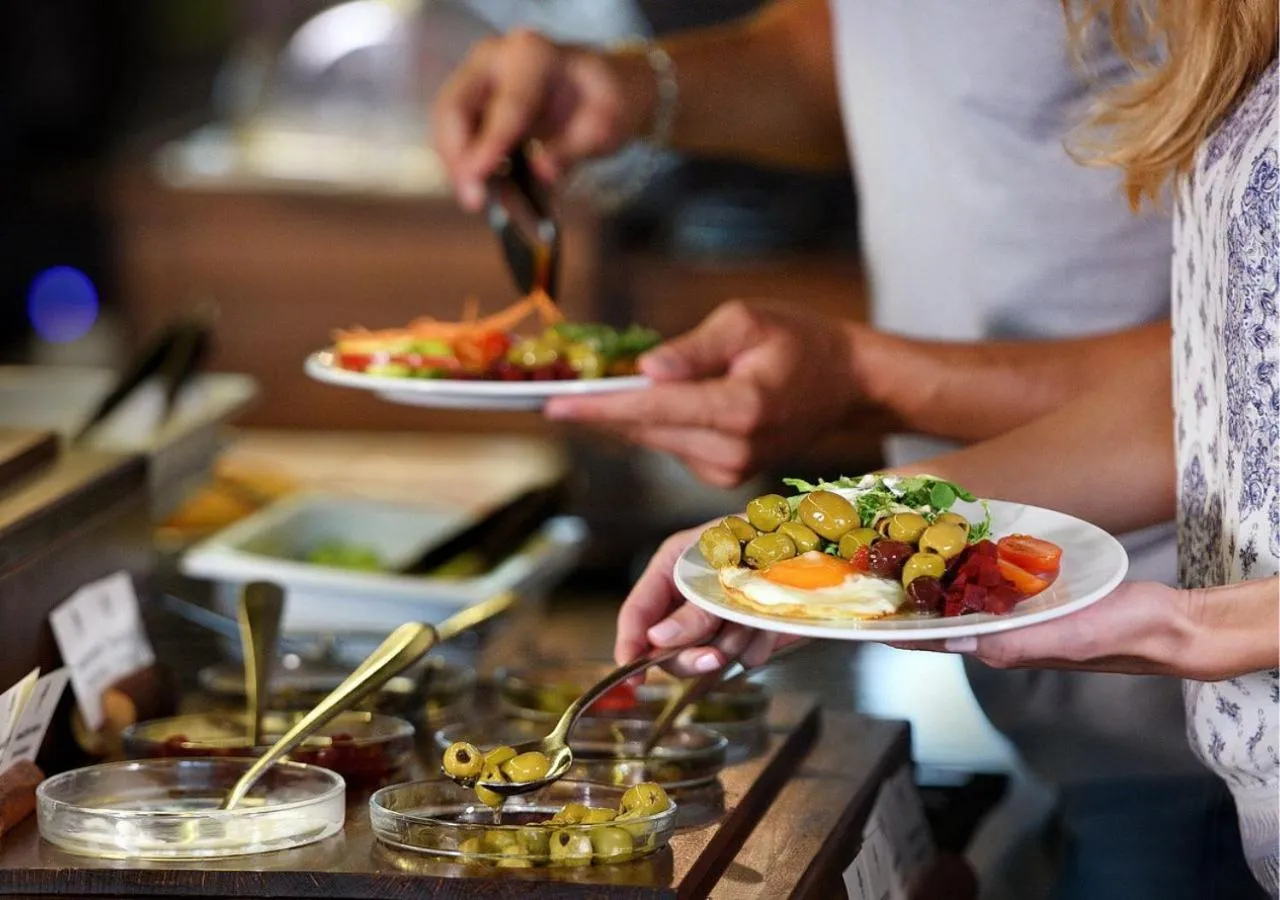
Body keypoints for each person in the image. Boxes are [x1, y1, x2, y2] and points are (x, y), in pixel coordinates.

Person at [431, 1, 1252, 897]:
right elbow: (1203, 397)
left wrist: (1193, 625)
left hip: (1180, 696)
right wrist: (823, 536)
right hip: (1140, 712)